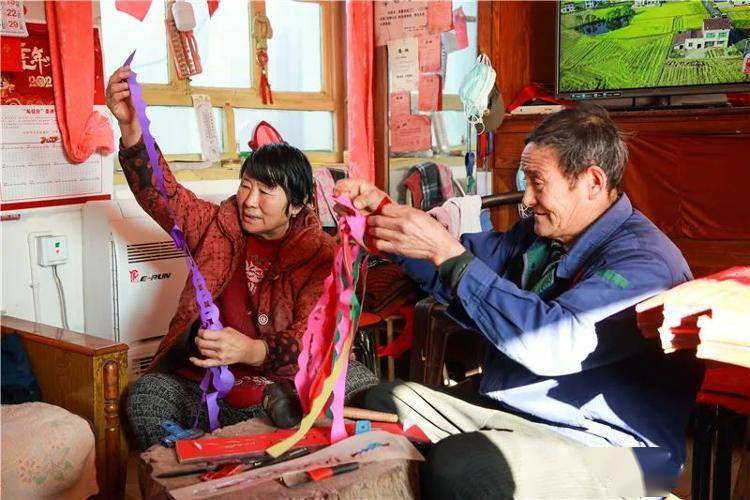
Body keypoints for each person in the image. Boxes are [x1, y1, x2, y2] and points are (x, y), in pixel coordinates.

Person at [335, 104, 704, 498]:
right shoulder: (540, 235)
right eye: (525, 181)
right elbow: (461, 265)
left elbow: (553, 343)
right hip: (517, 412)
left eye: (537, 182)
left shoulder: (644, 263)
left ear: (592, 182)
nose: (526, 199)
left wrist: (447, 253)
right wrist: (385, 217)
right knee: (383, 404)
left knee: (463, 467)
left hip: (614, 449)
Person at [105, 66, 377, 450]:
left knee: (365, 393)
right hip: (212, 385)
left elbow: (313, 337)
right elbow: (163, 196)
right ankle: (210, 464)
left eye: (266, 192)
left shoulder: (319, 254)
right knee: (146, 400)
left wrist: (252, 350)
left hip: (289, 382)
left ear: (297, 203)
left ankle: (256, 441)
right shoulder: (216, 226)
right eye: (246, 186)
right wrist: (132, 129)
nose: (250, 201)